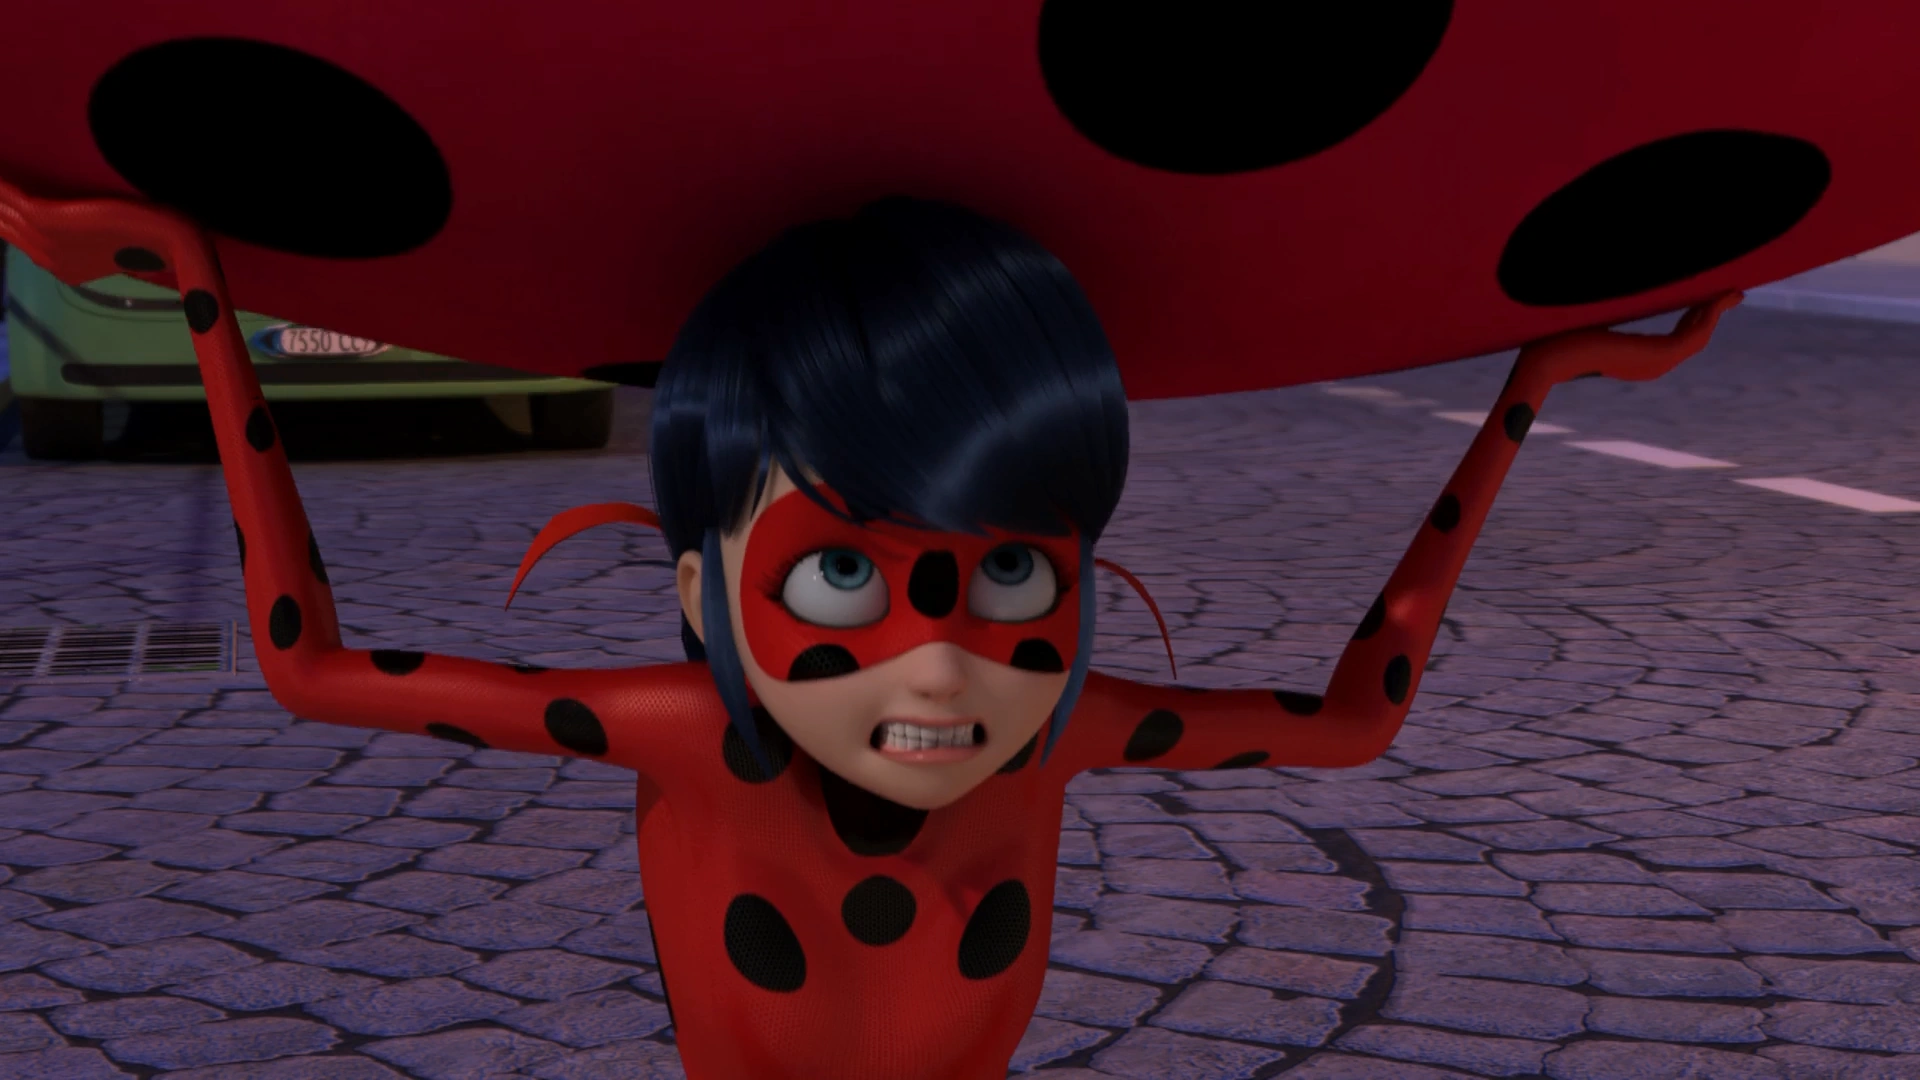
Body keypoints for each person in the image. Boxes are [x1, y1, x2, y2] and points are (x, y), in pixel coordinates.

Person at [0, 186, 1739, 1079]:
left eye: (1013, 579)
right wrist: (195, 281)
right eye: (841, 579)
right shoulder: (696, 729)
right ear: (700, 595)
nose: (942, 664)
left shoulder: (1056, 727)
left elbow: (1354, 721)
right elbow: (309, 666)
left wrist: (1536, 384)